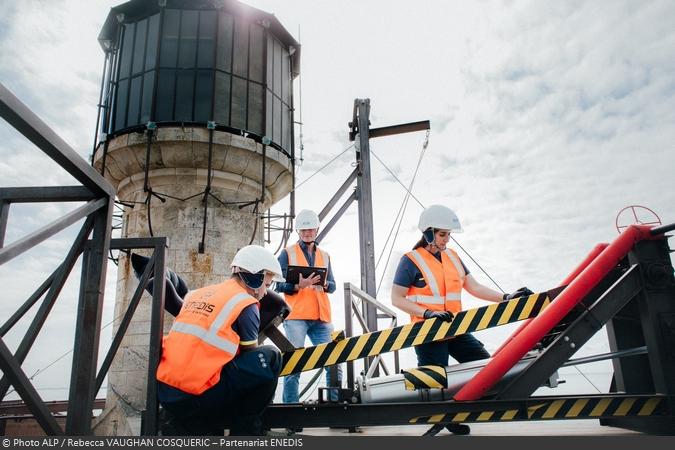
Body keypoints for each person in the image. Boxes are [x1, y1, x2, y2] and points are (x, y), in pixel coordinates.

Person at [391, 205, 532, 436]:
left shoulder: (454, 257)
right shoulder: (411, 260)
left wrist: (505, 297)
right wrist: (428, 313)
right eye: (442, 234)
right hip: (428, 332)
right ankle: (447, 419)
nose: (447, 239)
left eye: (449, 234)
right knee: (436, 381)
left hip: (456, 328)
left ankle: (458, 410)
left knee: (484, 366)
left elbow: (474, 287)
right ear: (428, 233)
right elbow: (397, 298)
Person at [155, 245, 285, 436]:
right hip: (197, 396)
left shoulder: (196, 294)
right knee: (271, 357)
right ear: (256, 276)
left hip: (167, 393)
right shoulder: (246, 304)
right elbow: (250, 354)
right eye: (267, 284)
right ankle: (246, 429)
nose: (266, 292)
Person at [276, 209, 342, 404]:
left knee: (333, 361)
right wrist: (298, 285)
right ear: (298, 231)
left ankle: (334, 406)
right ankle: (291, 410)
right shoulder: (287, 253)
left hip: (322, 317)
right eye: (304, 230)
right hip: (297, 316)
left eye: (311, 230)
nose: (308, 233)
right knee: (294, 364)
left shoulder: (325, 255)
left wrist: (325, 284)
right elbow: (277, 285)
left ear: (317, 230)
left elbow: (334, 285)